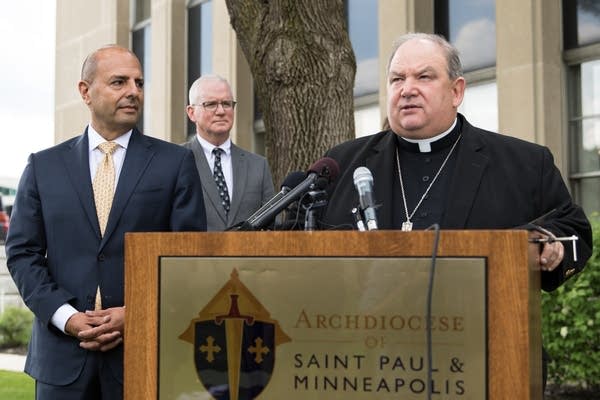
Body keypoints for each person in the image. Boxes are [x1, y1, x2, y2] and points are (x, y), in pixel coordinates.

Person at [320, 33, 593, 388]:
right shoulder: (341, 165)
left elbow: (573, 228)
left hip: (484, 364)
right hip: (367, 369)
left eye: (424, 76)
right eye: (397, 79)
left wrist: (550, 244)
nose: (407, 89)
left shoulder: (524, 163)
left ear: (457, 91)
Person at [6, 45, 207, 399]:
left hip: (143, 357)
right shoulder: (43, 167)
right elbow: (23, 253)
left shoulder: (175, 164)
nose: (133, 91)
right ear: (85, 91)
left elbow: (188, 259)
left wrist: (138, 313)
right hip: (60, 363)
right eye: (119, 82)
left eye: (139, 82)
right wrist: (66, 316)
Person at [183, 75, 275, 231]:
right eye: (210, 104)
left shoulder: (258, 166)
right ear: (191, 113)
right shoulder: (175, 161)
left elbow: (273, 227)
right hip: (194, 255)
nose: (221, 111)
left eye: (226, 104)